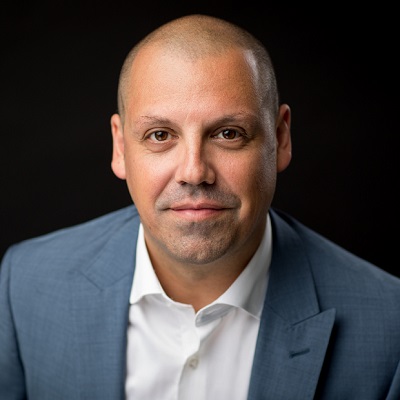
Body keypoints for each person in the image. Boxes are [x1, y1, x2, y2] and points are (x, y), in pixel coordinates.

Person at [0, 13, 399, 400]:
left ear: (280, 138)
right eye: (160, 135)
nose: (194, 172)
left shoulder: (390, 327)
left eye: (228, 133)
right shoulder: (24, 286)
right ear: (120, 147)